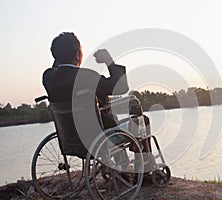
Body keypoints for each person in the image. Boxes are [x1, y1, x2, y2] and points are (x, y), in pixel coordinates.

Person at [43, 32, 154, 169]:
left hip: (70, 140)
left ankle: (123, 166)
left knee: (108, 116)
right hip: (96, 140)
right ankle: (146, 167)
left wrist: (61, 56)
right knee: (141, 119)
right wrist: (109, 61)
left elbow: (59, 70)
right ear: (77, 54)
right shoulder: (84, 76)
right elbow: (120, 87)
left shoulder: (48, 77)